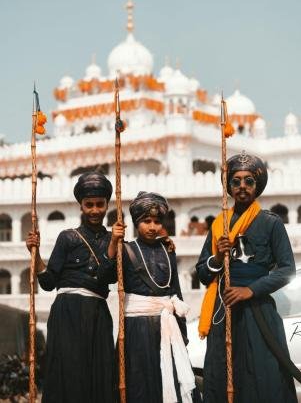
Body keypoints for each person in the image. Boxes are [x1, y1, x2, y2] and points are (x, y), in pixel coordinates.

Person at [196, 152, 298, 403]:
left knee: (263, 377)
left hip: (258, 311)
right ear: (229, 186)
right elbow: (201, 272)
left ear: (257, 185)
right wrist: (218, 257)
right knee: (224, 376)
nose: (242, 186)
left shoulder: (271, 223)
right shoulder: (219, 224)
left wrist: (250, 290)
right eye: (236, 181)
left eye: (249, 181)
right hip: (224, 312)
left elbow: (287, 270)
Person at [26, 172, 122, 403]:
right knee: (69, 372)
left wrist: (115, 244)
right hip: (67, 312)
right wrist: (35, 254)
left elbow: (108, 278)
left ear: (108, 204)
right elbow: (48, 283)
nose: (95, 210)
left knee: (100, 371)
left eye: (100, 204)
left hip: (98, 313)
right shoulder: (67, 238)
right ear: (81, 206)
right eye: (89, 205)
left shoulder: (116, 239)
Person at [109, 191, 198, 403]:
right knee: (139, 385)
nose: (152, 227)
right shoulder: (126, 250)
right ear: (135, 223)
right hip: (136, 331)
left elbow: (176, 292)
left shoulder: (168, 250)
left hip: (167, 328)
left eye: (157, 221)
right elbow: (106, 273)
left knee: (169, 382)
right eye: (146, 221)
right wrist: (114, 241)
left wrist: (182, 331)